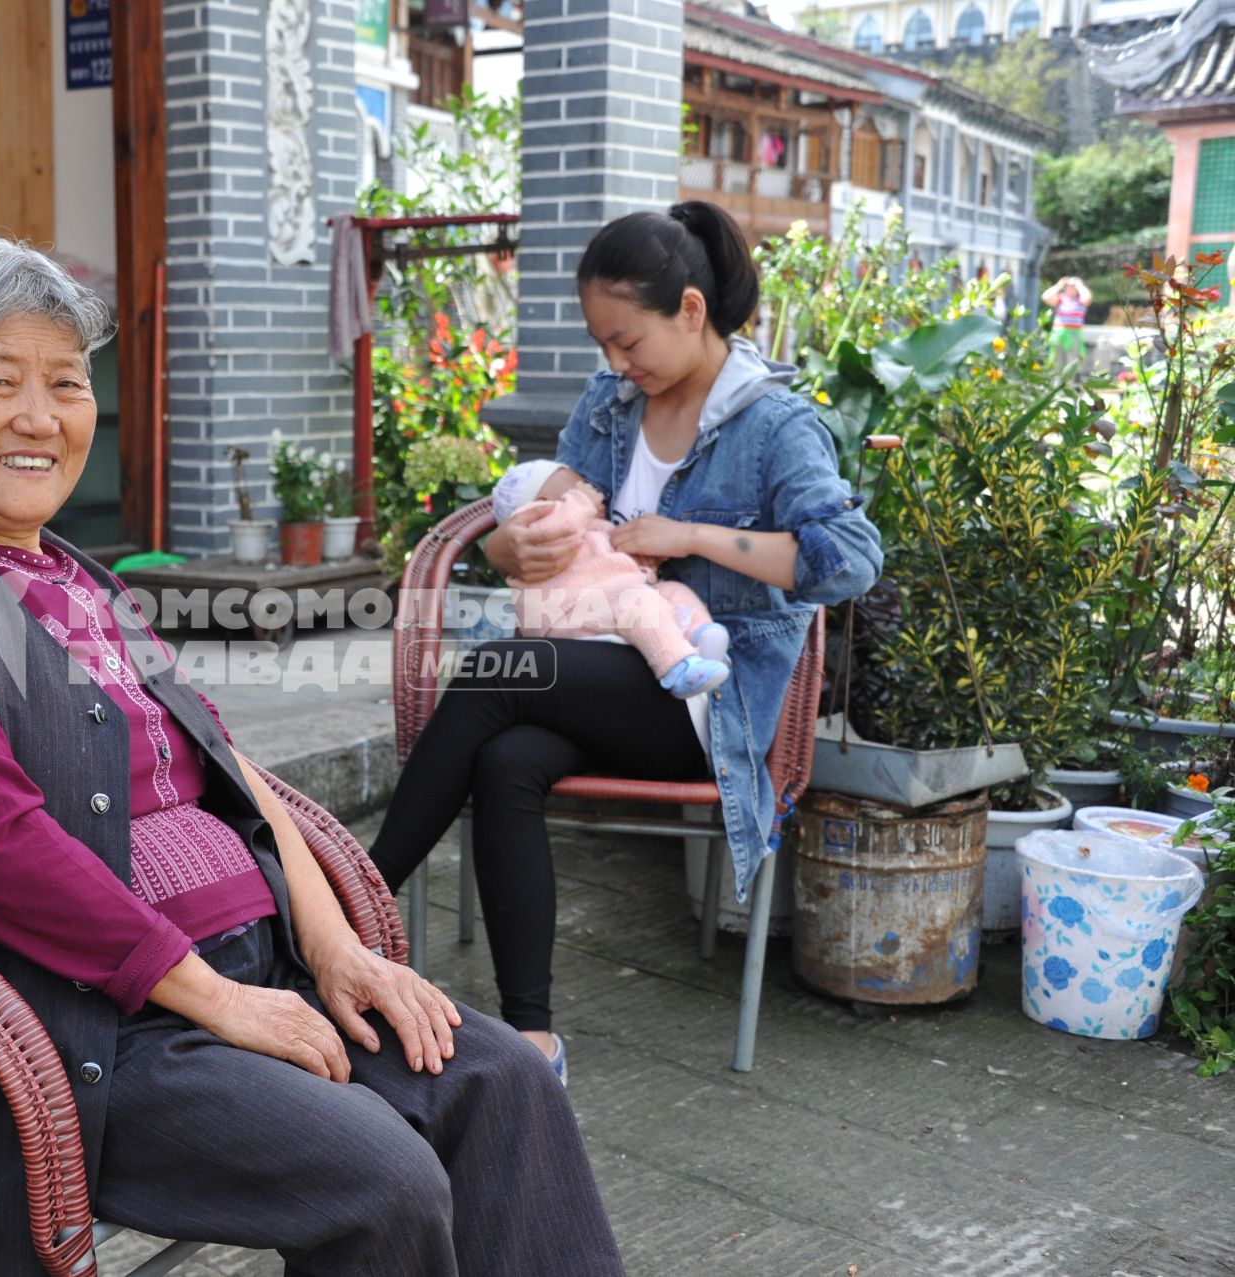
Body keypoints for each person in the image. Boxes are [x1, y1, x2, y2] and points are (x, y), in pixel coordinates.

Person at [0, 238, 628, 1277]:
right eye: (0, 380)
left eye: (67, 383)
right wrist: (221, 998)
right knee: (382, 1179)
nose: (41, 416)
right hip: (78, 1029)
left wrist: (337, 947)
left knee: (505, 1082)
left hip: (242, 967)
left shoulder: (72, 571)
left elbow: (226, 761)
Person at [367, 200, 883, 1080]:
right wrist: (506, 545)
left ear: (690, 309)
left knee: (498, 671)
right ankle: (535, 1043)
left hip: (705, 697)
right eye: (602, 344)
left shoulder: (774, 425)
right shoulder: (612, 406)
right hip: (600, 667)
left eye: (628, 341)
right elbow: (529, 535)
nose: (614, 364)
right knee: (507, 759)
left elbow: (849, 562)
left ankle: (344, 915)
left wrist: (690, 536)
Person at [491, 458, 731, 698]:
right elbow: (561, 527)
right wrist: (581, 500)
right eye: (578, 486)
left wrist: (645, 564)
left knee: (672, 590)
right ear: (542, 503)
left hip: (604, 598)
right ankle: (678, 668)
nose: (594, 492)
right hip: (564, 611)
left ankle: (700, 636)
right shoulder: (537, 527)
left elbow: (614, 564)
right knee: (638, 603)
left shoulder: (593, 529)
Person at [1042, 275, 1092, 363]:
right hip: (1059, 334)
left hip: (1074, 334)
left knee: (1072, 362)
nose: (1071, 288)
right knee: (1056, 361)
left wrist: (1080, 286)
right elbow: (1045, 297)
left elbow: (1088, 298)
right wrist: (1058, 285)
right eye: (1068, 285)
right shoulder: (1060, 299)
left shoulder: (1080, 300)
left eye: (1073, 286)